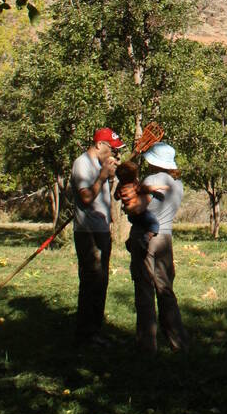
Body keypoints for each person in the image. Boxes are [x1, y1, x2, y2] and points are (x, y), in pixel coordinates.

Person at [128, 141, 188, 353]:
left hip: (146, 238)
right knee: (165, 289)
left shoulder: (151, 180)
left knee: (144, 289)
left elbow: (137, 209)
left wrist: (128, 195)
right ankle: (178, 341)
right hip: (165, 237)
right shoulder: (177, 184)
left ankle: (147, 345)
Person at [70, 126, 124, 347]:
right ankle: (86, 332)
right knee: (91, 279)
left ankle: (96, 329)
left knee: (101, 280)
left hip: (101, 229)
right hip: (88, 232)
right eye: (112, 149)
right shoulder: (82, 163)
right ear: (100, 145)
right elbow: (85, 198)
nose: (113, 154)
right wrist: (103, 176)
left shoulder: (99, 164)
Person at [114, 158, 162, 251]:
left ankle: (131, 240)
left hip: (131, 216)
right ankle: (146, 238)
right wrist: (159, 187)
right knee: (154, 224)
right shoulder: (134, 184)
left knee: (137, 225)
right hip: (140, 213)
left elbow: (116, 196)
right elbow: (145, 189)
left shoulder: (120, 185)